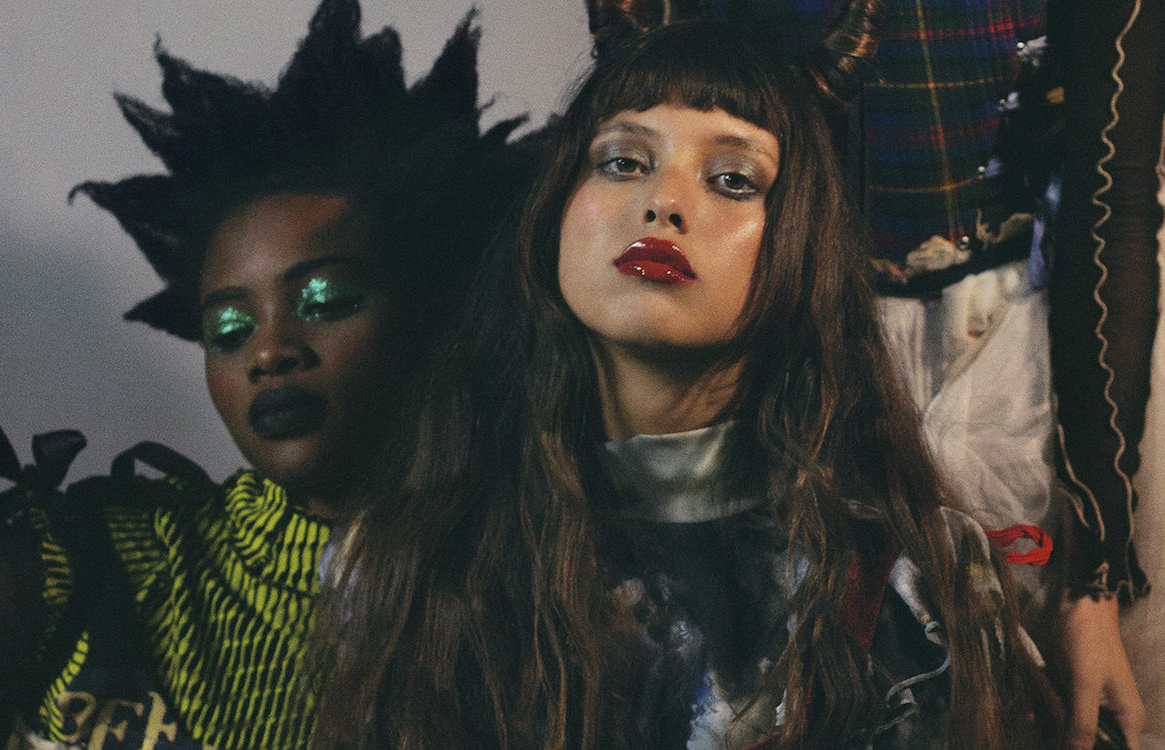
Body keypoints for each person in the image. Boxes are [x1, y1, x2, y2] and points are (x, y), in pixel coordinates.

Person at [618, 1, 1165, 747]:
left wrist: (1094, 586)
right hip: (783, 313)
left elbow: (1109, 199)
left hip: (1042, 334)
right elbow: (645, 117)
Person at [309, 18, 1060, 750]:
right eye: (623, 162)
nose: (664, 202)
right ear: (553, 212)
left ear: (801, 250)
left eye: (733, 180)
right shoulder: (410, 559)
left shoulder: (908, 584)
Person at [0, 1, 532, 747]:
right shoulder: (103, 563)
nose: (269, 351)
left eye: (325, 300)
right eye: (229, 329)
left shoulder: (545, 581)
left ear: (432, 318)